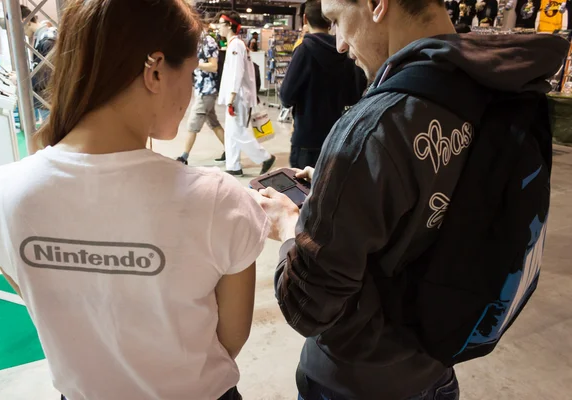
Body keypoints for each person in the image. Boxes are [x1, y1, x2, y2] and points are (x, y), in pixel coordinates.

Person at [250, 0, 568, 398]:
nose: (340, 45)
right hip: (437, 365)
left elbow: (310, 304)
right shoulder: (504, 88)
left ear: (376, 5)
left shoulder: (376, 127)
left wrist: (287, 227)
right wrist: (342, 191)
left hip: (356, 381)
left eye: (337, 21)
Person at [0, 1, 269, 399]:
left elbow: (43, 305)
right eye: (187, 73)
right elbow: (228, 342)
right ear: (155, 71)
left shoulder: (0, 194)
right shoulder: (219, 201)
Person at [280, 0, 366, 170]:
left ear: (305, 19)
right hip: (338, 135)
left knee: (302, 190)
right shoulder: (344, 50)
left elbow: (286, 96)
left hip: (307, 137)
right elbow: (355, 94)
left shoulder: (304, 50)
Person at [217, 11, 276, 177]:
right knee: (231, 131)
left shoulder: (236, 45)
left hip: (239, 97)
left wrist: (232, 96)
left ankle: (265, 157)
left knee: (236, 131)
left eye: (221, 24)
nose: (219, 28)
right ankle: (233, 165)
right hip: (238, 95)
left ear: (229, 25)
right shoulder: (237, 44)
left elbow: (237, 72)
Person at [177, 30, 226, 165]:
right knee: (213, 123)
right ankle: (230, 150)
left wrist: (193, 63)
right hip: (202, 88)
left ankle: (184, 157)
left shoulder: (207, 41)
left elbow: (213, 66)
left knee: (193, 123)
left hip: (207, 90)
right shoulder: (197, 42)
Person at [20, 5, 57, 123]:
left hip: (48, 101)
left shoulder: (47, 40)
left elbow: (47, 77)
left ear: (24, 21)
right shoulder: (42, 38)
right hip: (45, 101)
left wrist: (23, 79)